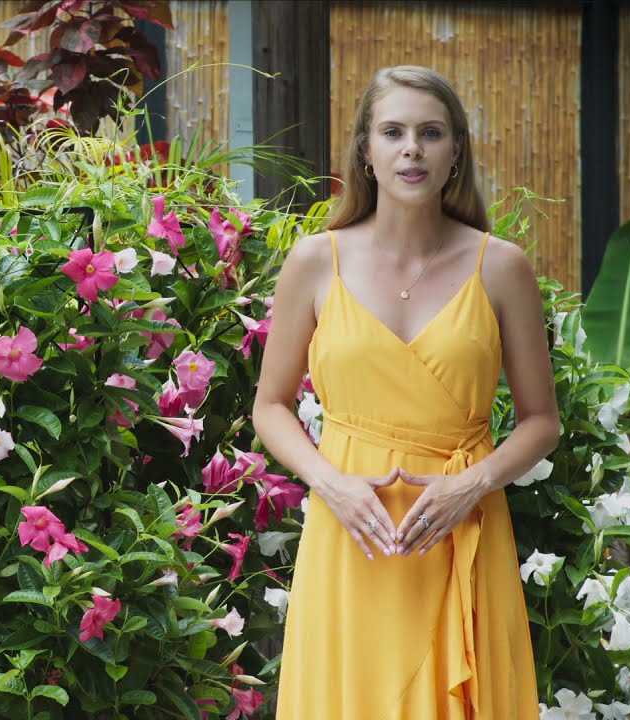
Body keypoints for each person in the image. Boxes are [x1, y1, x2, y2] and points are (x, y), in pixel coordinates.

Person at [251, 65, 560, 719]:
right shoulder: (314, 260)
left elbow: (540, 421)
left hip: (461, 529)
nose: (411, 148)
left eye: (430, 132)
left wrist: (472, 484)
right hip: (351, 537)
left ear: (456, 153)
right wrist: (327, 481)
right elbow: (270, 405)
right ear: (367, 149)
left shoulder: (501, 268)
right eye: (393, 132)